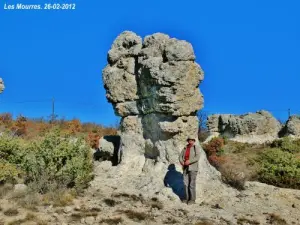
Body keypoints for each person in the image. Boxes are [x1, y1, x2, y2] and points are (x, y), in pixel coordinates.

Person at [179, 136, 200, 205]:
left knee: (191, 184)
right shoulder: (185, 148)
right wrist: (182, 162)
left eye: (192, 140)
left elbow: (197, 157)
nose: (190, 141)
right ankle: (186, 198)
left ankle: (192, 200)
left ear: (194, 141)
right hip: (185, 168)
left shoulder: (195, 147)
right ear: (188, 141)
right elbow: (180, 156)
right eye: (189, 140)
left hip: (193, 168)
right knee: (185, 184)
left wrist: (189, 161)